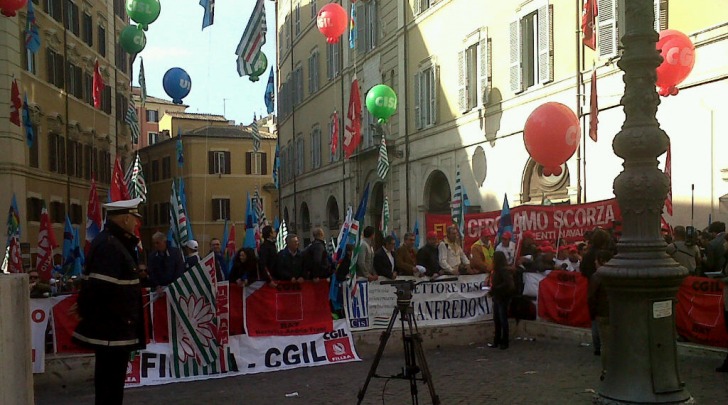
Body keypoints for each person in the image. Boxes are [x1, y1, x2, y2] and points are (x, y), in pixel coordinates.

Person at [73, 198, 145, 405]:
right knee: (109, 384)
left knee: (112, 384)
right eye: (134, 218)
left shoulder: (113, 243)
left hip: (116, 328)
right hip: (112, 328)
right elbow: (100, 287)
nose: (136, 223)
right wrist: (85, 307)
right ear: (124, 219)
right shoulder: (111, 245)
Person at [588, 249, 615, 380]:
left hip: (603, 313)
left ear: (602, 260)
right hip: (616, 312)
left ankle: (606, 371)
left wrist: (593, 313)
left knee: (606, 344)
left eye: (596, 259)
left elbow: (591, 297)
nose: (594, 262)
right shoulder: (617, 273)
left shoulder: (597, 276)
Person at [487, 251, 516, 350]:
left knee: (503, 320)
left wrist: (495, 289)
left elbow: (508, 284)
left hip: (503, 297)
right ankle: (497, 340)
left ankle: (504, 341)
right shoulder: (498, 270)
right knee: (497, 319)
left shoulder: (503, 271)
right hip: (498, 296)